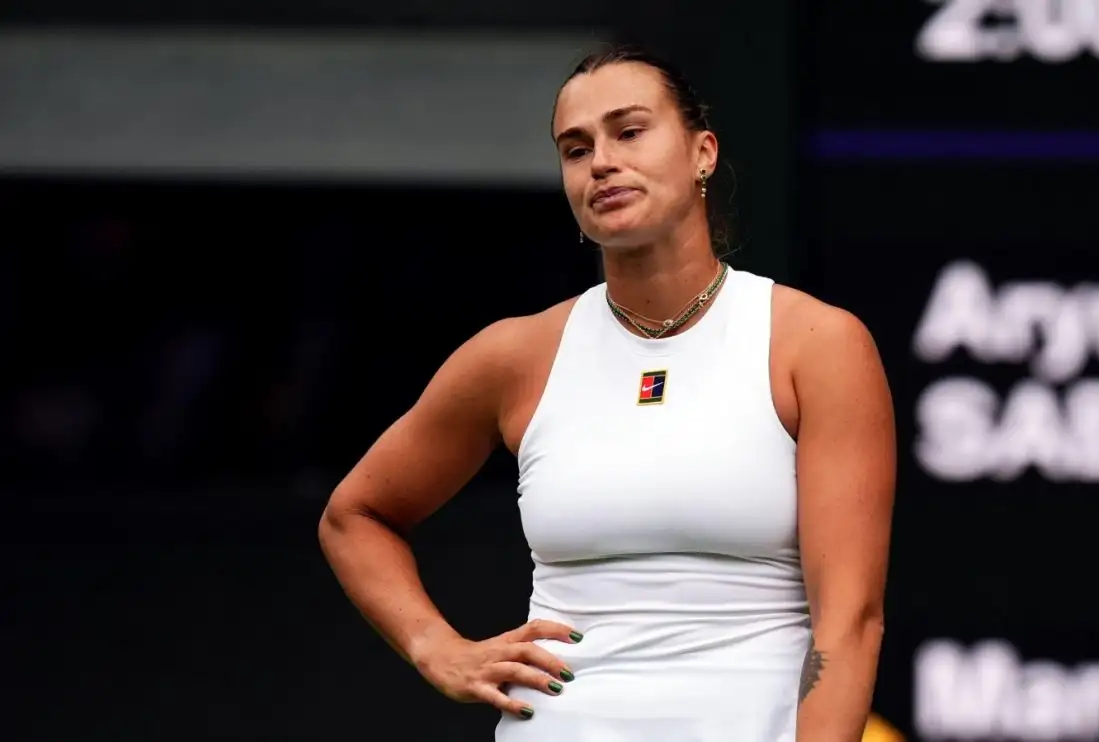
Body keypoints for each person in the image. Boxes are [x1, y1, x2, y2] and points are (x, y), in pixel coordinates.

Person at [318, 44, 897, 742]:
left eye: (629, 131)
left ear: (702, 152)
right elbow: (356, 516)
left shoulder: (816, 343)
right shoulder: (515, 355)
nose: (601, 161)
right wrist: (435, 647)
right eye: (574, 147)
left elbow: (851, 621)